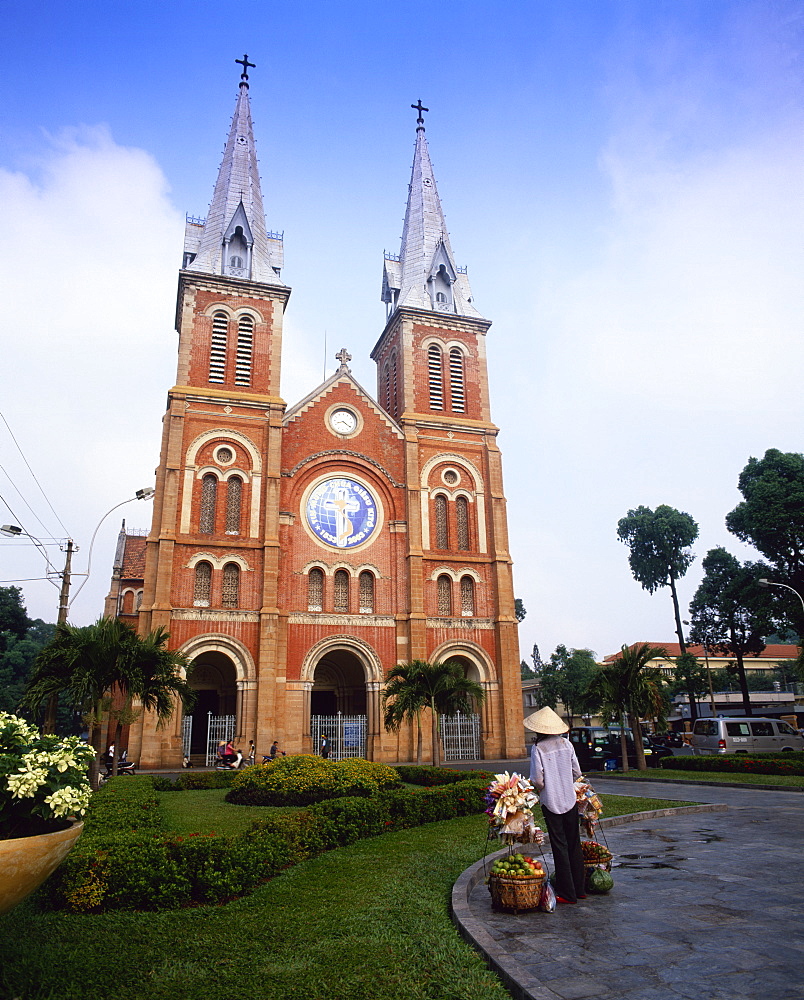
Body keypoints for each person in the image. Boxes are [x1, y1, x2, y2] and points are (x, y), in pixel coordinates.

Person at [526, 706, 586, 905]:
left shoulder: (539, 748)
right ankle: (580, 889)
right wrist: (564, 781)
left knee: (559, 845)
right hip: (569, 800)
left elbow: (537, 779)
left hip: (551, 801)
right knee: (574, 844)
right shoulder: (566, 744)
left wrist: (543, 787)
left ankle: (567, 893)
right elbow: (577, 772)